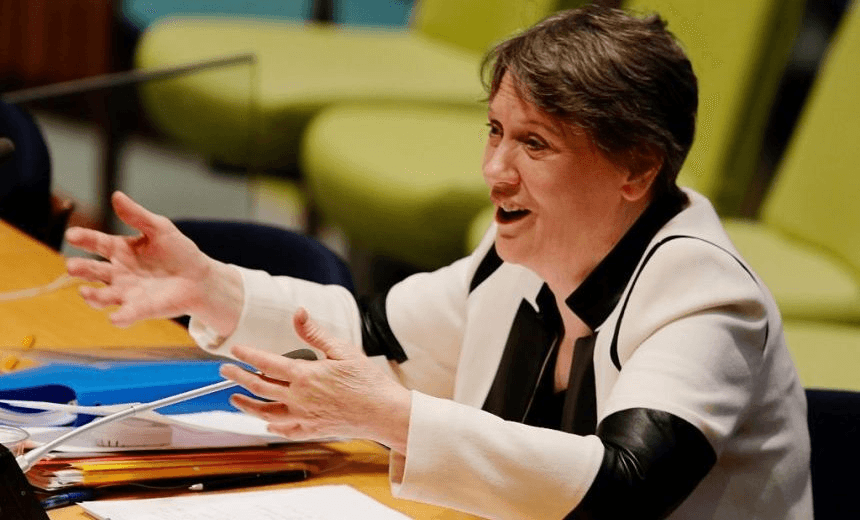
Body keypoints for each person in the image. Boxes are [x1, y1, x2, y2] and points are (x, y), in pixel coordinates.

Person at [64, 5, 812, 519]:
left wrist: (394, 416)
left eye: (535, 144)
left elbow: (624, 488)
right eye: (495, 130)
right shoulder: (519, 253)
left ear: (637, 170)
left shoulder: (705, 297)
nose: (495, 170)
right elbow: (374, 334)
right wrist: (213, 288)